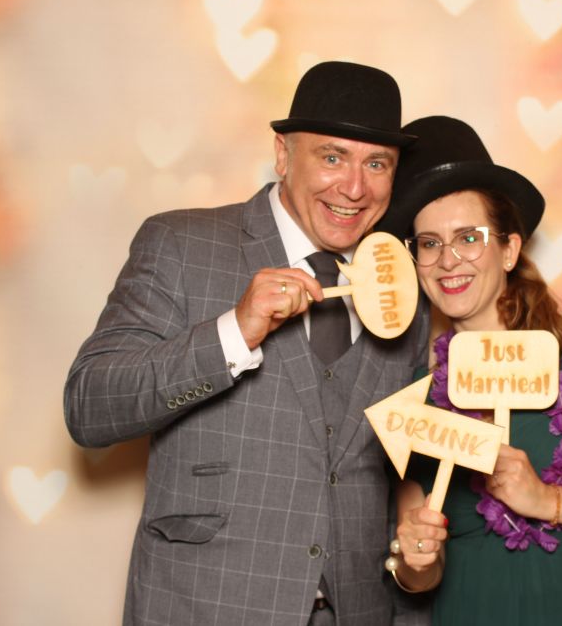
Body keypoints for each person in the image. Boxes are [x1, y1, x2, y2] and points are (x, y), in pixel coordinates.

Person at [64, 61, 431, 626]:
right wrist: (233, 332)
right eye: (332, 157)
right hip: (208, 608)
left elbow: (396, 481)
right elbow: (90, 408)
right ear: (283, 155)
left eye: (376, 164)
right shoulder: (180, 245)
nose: (355, 188)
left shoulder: (405, 288)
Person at [374, 116, 562, 624]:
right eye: (429, 243)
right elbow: (421, 576)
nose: (448, 260)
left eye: (468, 238)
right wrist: (414, 560)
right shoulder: (416, 402)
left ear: (509, 249)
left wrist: (547, 500)